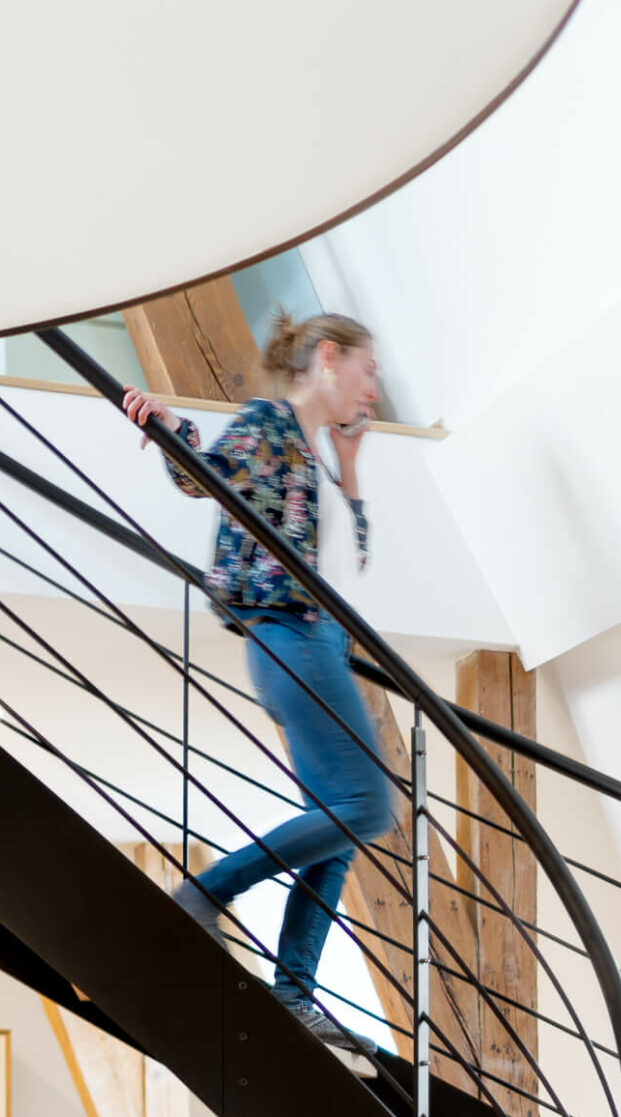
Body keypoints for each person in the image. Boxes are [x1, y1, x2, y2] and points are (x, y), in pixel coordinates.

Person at [123, 312, 392, 1055]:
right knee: (368, 806)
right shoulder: (269, 423)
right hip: (289, 637)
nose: (373, 390)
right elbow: (203, 475)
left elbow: (353, 558)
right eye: (368, 371)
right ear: (329, 357)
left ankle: (294, 995)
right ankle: (203, 895)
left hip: (318, 642)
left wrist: (349, 465)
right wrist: (170, 428)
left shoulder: (315, 453)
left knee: (337, 832)